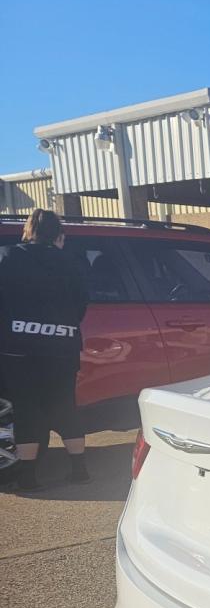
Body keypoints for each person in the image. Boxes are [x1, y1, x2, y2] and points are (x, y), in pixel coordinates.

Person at [0, 209, 90, 490]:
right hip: (62, 345)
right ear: (58, 234)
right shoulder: (72, 262)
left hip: (18, 348)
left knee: (27, 409)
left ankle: (28, 476)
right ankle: (79, 470)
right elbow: (81, 304)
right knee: (65, 406)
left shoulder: (8, 257)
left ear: (28, 231)